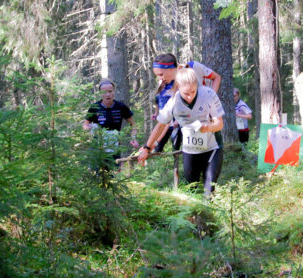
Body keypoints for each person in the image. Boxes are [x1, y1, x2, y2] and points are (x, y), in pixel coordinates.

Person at [138, 66, 224, 197]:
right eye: (186, 93)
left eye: (193, 92)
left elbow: (219, 124)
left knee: (209, 191)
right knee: (191, 192)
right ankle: (194, 217)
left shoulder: (208, 94)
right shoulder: (173, 102)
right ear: (178, 88)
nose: (189, 96)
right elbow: (160, 125)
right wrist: (146, 147)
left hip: (212, 148)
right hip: (190, 151)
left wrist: (207, 127)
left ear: (198, 86)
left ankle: (209, 215)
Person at [150, 53, 222, 151]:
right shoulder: (169, 87)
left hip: (209, 118)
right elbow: (164, 120)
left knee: (213, 148)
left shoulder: (193, 66)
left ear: (171, 68)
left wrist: (211, 100)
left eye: (161, 74)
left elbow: (216, 77)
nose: (160, 78)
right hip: (192, 124)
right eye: (157, 75)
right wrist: (151, 144)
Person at [83, 79, 138, 163]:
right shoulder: (95, 107)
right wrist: (92, 129)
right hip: (98, 144)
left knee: (113, 171)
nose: (108, 94)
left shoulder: (121, 106)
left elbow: (133, 124)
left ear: (114, 91)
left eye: (110, 91)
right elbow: (85, 125)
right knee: (96, 172)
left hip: (114, 144)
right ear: (100, 93)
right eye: (104, 92)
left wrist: (133, 138)